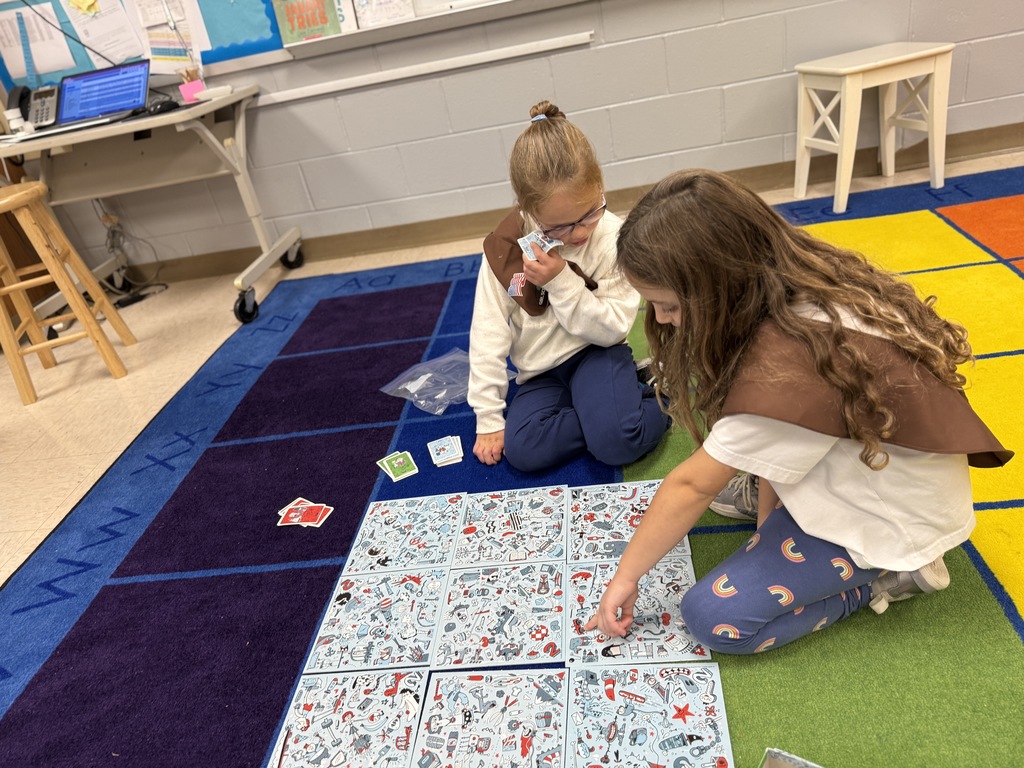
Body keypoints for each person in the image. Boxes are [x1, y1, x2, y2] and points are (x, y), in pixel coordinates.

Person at [585, 169, 1012, 654]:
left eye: (669, 307)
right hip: (879, 473)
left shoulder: (790, 369)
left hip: (893, 521)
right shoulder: (790, 286)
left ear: (718, 289)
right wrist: (770, 531)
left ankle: (890, 576)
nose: (659, 321)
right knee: (746, 487)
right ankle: (799, 530)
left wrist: (625, 577)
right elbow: (781, 441)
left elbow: (689, 485)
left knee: (711, 617)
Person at [468, 101, 669, 472]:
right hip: (541, 372)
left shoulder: (614, 236)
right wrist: (489, 417)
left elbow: (613, 329)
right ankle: (610, 406)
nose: (578, 234)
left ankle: (660, 396)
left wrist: (561, 281)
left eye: (590, 212)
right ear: (526, 210)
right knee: (524, 451)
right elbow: (488, 331)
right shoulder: (505, 249)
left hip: (596, 351)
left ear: (601, 186)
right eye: (558, 228)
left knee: (620, 444)